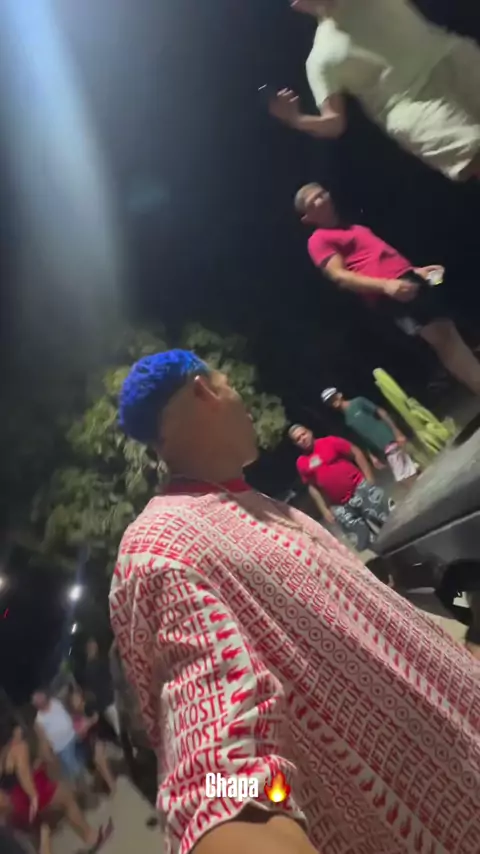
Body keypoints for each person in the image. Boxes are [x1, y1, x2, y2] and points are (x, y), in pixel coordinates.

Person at [110, 348, 480, 854]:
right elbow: (212, 777)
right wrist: (238, 813)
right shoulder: (162, 547)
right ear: (204, 389)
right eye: (229, 383)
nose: (242, 401)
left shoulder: (252, 502)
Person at [295, 182, 480, 396]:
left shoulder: (354, 227)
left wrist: (416, 271)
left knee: (450, 334)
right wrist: (385, 285)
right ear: (307, 218)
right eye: (313, 201)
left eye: (322, 193)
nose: (322, 199)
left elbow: (382, 255)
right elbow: (339, 276)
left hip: (407, 279)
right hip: (392, 292)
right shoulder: (318, 240)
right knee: (444, 339)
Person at [269, 0, 480, 182]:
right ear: (298, 5)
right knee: (473, 153)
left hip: (448, 55)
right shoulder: (319, 58)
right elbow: (334, 122)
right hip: (410, 105)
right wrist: (296, 119)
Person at [0, 705, 111, 853]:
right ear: (14, 731)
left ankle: (89, 837)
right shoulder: (18, 748)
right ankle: (91, 837)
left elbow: (11, 778)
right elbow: (24, 776)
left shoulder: (2, 756)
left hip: (14, 803)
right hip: (28, 795)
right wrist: (34, 797)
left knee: (42, 831)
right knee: (66, 798)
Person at [289, 423, 393, 550]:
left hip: (360, 489)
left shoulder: (329, 441)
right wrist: (324, 509)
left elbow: (355, 452)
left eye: (303, 434)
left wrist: (369, 478)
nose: (302, 439)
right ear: (296, 444)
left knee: (389, 522)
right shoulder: (301, 463)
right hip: (340, 506)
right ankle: (385, 556)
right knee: (364, 541)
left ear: (310, 432)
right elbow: (313, 487)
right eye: (298, 439)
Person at [320, 387, 418, 483]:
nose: (333, 401)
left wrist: (397, 432)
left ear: (339, 395)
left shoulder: (358, 402)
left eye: (333, 397)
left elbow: (380, 412)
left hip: (389, 440)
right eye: (329, 401)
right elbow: (363, 439)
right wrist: (372, 457)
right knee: (409, 472)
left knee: (402, 477)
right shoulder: (347, 421)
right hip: (380, 450)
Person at [66, 688, 116, 796]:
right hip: (94, 739)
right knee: (98, 761)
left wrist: (87, 724)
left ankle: (112, 786)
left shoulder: (89, 706)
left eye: (76, 699)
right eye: (73, 701)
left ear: (81, 698)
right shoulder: (76, 717)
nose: (75, 702)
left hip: (102, 734)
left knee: (99, 759)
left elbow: (96, 718)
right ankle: (109, 785)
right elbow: (79, 732)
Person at [31, 690, 83, 785]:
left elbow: (68, 710)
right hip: (62, 746)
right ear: (36, 705)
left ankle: (75, 781)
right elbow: (43, 740)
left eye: (41, 697)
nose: (41, 700)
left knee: (74, 762)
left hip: (73, 735)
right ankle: (81, 784)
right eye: (38, 700)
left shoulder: (55, 702)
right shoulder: (39, 720)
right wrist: (48, 754)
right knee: (72, 766)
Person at [84, 640, 120, 738]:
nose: (95, 649)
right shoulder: (91, 667)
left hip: (109, 700)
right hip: (108, 702)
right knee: (119, 727)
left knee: (119, 725)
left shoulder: (94, 664)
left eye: (95, 646)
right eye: (92, 647)